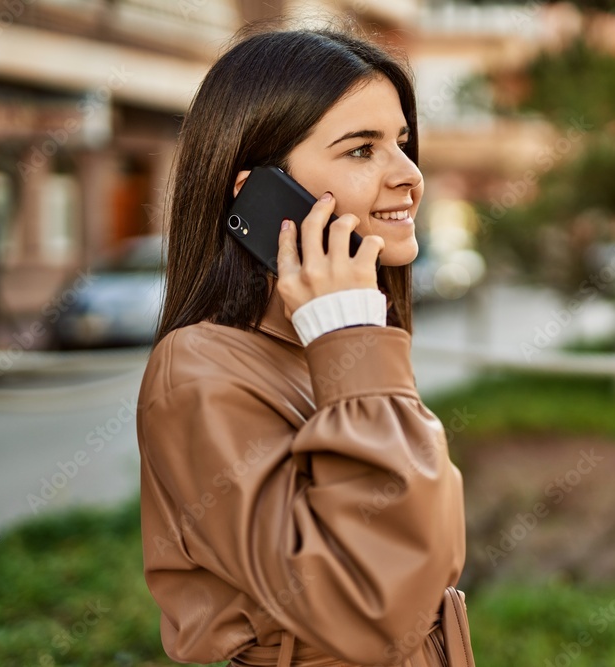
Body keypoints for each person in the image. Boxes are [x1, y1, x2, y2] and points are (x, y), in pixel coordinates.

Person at [135, 23, 468, 667]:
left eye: (401, 142)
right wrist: (352, 338)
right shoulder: (199, 372)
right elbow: (374, 609)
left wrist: (350, 337)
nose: (409, 175)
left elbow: (430, 554)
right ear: (259, 197)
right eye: (361, 151)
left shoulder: (333, 342)